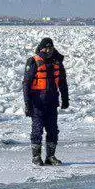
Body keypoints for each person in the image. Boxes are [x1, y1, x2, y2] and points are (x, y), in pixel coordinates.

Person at [23, 37, 70, 167]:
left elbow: (62, 83)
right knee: (37, 130)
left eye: (50, 48)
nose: (48, 50)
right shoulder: (33, 61)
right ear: (41, 48)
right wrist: (27, 104)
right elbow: (26, 84)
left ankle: (50, 156)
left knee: (53, 130)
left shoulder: (57, 62)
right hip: (37, 103)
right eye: (46, 47)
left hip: (52, 102)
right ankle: (36, 156)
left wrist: (65, 99)